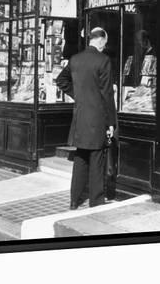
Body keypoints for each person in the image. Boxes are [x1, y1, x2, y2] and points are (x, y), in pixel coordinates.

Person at [56, 27, 117, 209]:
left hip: (80, 116)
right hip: (98, 117)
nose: (104, 47)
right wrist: (111, 122)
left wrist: (78, 96)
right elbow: (107, 94)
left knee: (80, 158)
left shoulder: (75, 59)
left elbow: (61, 81)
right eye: (104, 44)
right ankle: (96, 200)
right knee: (97, 158)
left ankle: (74, 200)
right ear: (100, 40)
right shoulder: (103, 60)